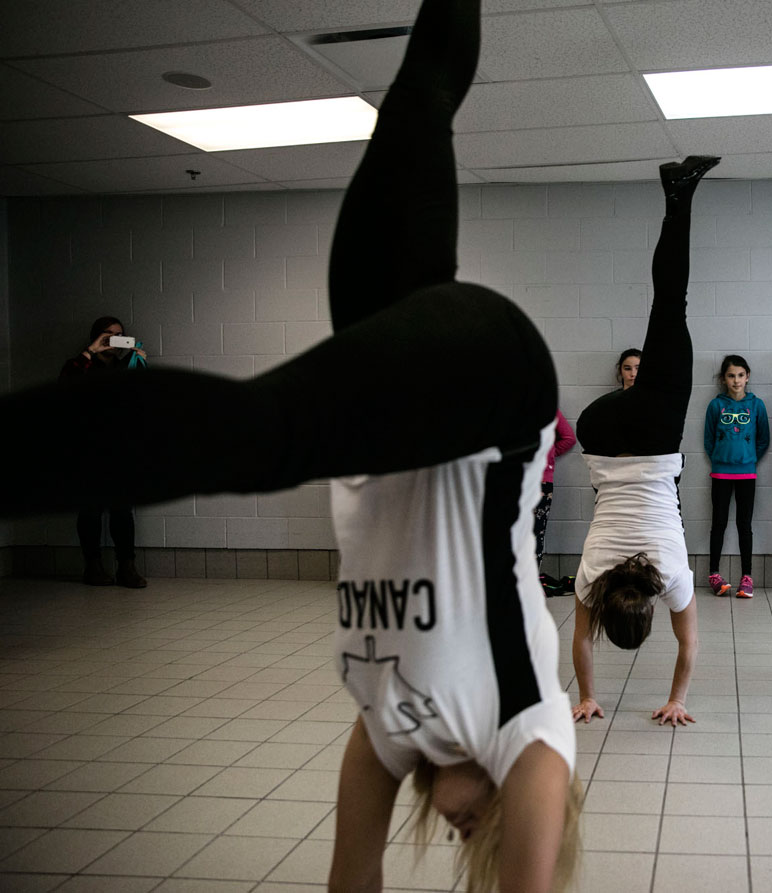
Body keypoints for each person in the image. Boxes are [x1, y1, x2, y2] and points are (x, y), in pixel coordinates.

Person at [0, 3, 583, 890]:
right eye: (484, 830)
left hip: (404, 369)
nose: (468, 827)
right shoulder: (528, 731)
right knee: (262, 435)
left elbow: (352, 874)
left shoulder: (389, 728)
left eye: (462, 837)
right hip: (492, 397)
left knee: (417, 101)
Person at [570, 155, 719, 729]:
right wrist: (585, 694)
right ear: (607, 611)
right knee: (665, 313)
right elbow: (580, 645)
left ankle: (678, 196)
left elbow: (689, 647)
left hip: (653, 436)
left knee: (670, 304)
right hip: (598, 433)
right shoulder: (588, 580)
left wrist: (678, 699)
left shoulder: (675, 579)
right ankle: (676, 194)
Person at [60, 315, 150, 588]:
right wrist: (90, 352)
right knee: (90, 510)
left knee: (122, 511)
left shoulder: (126, 367)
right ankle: (93, 567)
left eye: (118, 334)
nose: (113, 339)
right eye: (107, 335)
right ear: (96, 337)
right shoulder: (79, 366)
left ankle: (127, 567)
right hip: (86, 450)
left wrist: (141, 365)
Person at [703, 354, 769, 598]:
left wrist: (748, 459)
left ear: (747, 376)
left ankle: (747, 577)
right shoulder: (715, 406)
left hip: (747, 474)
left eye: (740, 375)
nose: (736, 380)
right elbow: (708, 439)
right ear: (724, 379)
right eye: (731, 375)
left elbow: (764, 440)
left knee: (745, 525)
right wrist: (722, 457)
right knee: (718, 523)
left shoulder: (756, 405)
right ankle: (714, 574)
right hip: (720, 473)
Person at [535, 409, 576, 570]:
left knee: (535, 533)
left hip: (541, 481)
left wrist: (549, 455)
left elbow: (568, 438)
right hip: (514, 480)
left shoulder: (549, 409)